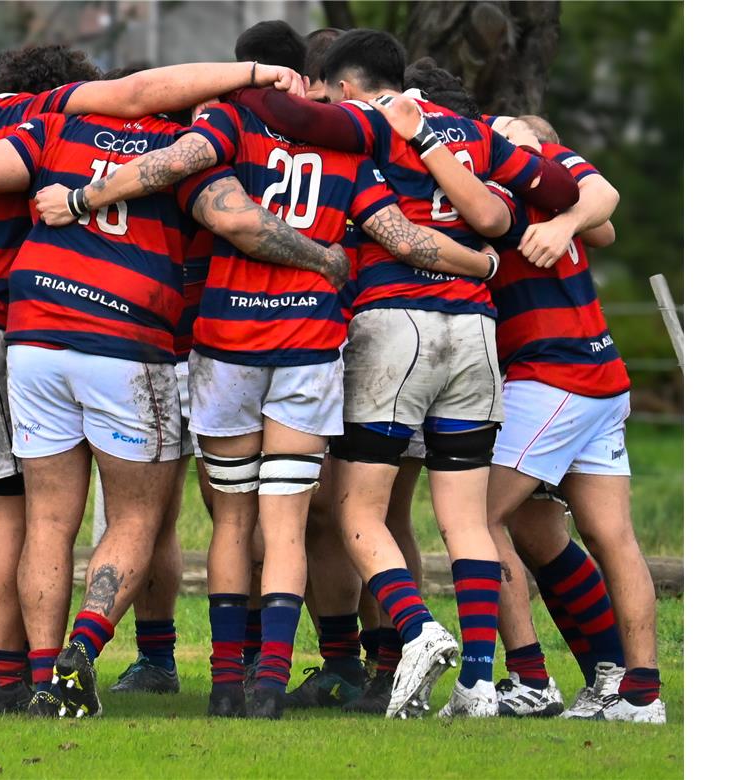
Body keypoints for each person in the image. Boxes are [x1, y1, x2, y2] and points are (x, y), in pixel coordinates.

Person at [0, 49, 316, 716]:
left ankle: (12, 675)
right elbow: (229, 215)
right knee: (134, 516)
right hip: (123, 337)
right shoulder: (170, 144)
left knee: (42, 520)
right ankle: (64, 667)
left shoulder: (54, 133)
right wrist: (324, 256)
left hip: (30, 333)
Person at [33, 55, 497, 723]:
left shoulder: (230, 122)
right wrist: (478, 261)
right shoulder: (348, 150)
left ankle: (226, 683)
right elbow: (403, 237)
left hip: (227, 344)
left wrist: (82, 198)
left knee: (233, 520)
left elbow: (171, 168)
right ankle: (268, 687)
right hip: (308, 345)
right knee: (285, 523)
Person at [226, 28, 580, 718]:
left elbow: (288, 116)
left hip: (395, 325)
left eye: (329, 88)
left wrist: (266, 81)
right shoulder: (472, 131)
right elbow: (561, 186)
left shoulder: (363, 121)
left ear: (350, 88)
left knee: (357, 506)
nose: (323, 99)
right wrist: (514, 143)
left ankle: (416, 629)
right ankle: (478, 686)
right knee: (465, 518)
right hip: (476, 331)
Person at [479, 115, 664, 724]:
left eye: (515, 134)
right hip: (602, 376)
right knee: (610, 536)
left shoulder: (543, 183)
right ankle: (639, 692)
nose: (504, 138)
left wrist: (561, 223)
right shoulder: (540, 187)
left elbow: (605, 203)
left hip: (554, 376)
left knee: (477, 519)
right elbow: (605, 223)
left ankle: (529, 678)